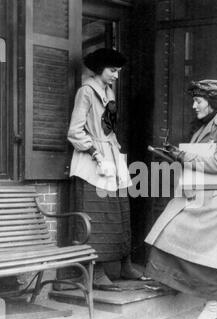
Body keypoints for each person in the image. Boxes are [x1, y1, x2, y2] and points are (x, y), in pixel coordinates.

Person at [145, 80, 217, 319]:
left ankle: (212, 308)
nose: (194, 106)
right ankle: (166, 279)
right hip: (204, 196)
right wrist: (174, 155)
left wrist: (183, 156)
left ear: (212, 103)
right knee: (168, 232)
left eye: (198, 101)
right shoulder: (212, 122)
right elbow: (203, 157)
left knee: (211, 256)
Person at [68, 48, 147, 291]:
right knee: (97, 216)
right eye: (113, 70)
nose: (116, 75)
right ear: (100, 68)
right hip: (93, 163)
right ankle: (97, 271)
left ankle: (125, 264)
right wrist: (95, 154)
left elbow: (109, 129)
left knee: (121, 212)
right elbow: (74, 131)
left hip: (112, 158)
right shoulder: (86, 92)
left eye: (118, 71)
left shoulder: (109, 92)